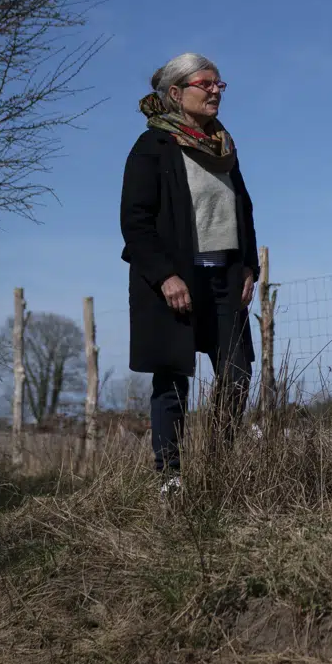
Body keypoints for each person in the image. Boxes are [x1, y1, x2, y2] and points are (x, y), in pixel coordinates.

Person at [120, 53, 259, 495]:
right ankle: (171, 479)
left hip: (224, 278)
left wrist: (249, 266)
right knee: (172, 381)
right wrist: (165, 276)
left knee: (237, 376)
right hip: (175, 283)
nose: (216, 91)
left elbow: (243, 210)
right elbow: (136, 223)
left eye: (220, 84)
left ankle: (218, 467)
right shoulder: (153, 147)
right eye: (207, 84)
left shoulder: (223, 148)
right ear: (177, 93)